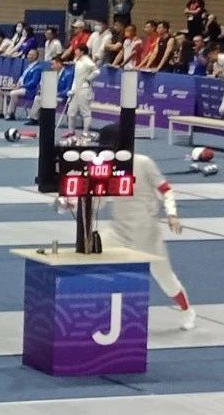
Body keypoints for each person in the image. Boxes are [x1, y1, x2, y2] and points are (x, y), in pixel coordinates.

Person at [65, 124, 197, 330]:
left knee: (166, 279)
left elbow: (166, 189)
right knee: (86, 257)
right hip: (119, 232)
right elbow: (98, 200)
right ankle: (83, 309)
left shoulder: (143, 163)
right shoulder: (106, 165)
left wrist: (172, 215)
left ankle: (188, 311)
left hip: (147, 234)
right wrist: (73, 203)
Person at [0, 49, 43, 120]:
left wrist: (21, 86)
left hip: (29, 90)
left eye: (31, 55)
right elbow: (22, 78)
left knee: (13, 93)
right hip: (20, 87)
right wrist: (16, 85)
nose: (29, 56)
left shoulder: (38, 68)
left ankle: (10, 113)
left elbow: (33, 82)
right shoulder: (28, 67)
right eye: (29, 54)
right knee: (0, 91)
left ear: (36, 56)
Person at [65, 45, 99, 136]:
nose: (75, 51)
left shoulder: (87, 61)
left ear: (82, 51)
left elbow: (96, 71)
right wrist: (72, 90)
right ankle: (71, 132)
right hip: (75, 89)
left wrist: (88, 78)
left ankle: (85, 132)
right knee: (71, 112)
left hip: (84, 89)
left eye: (77, 50)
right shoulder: (77, 60)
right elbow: (76, 78)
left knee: (85, 112)